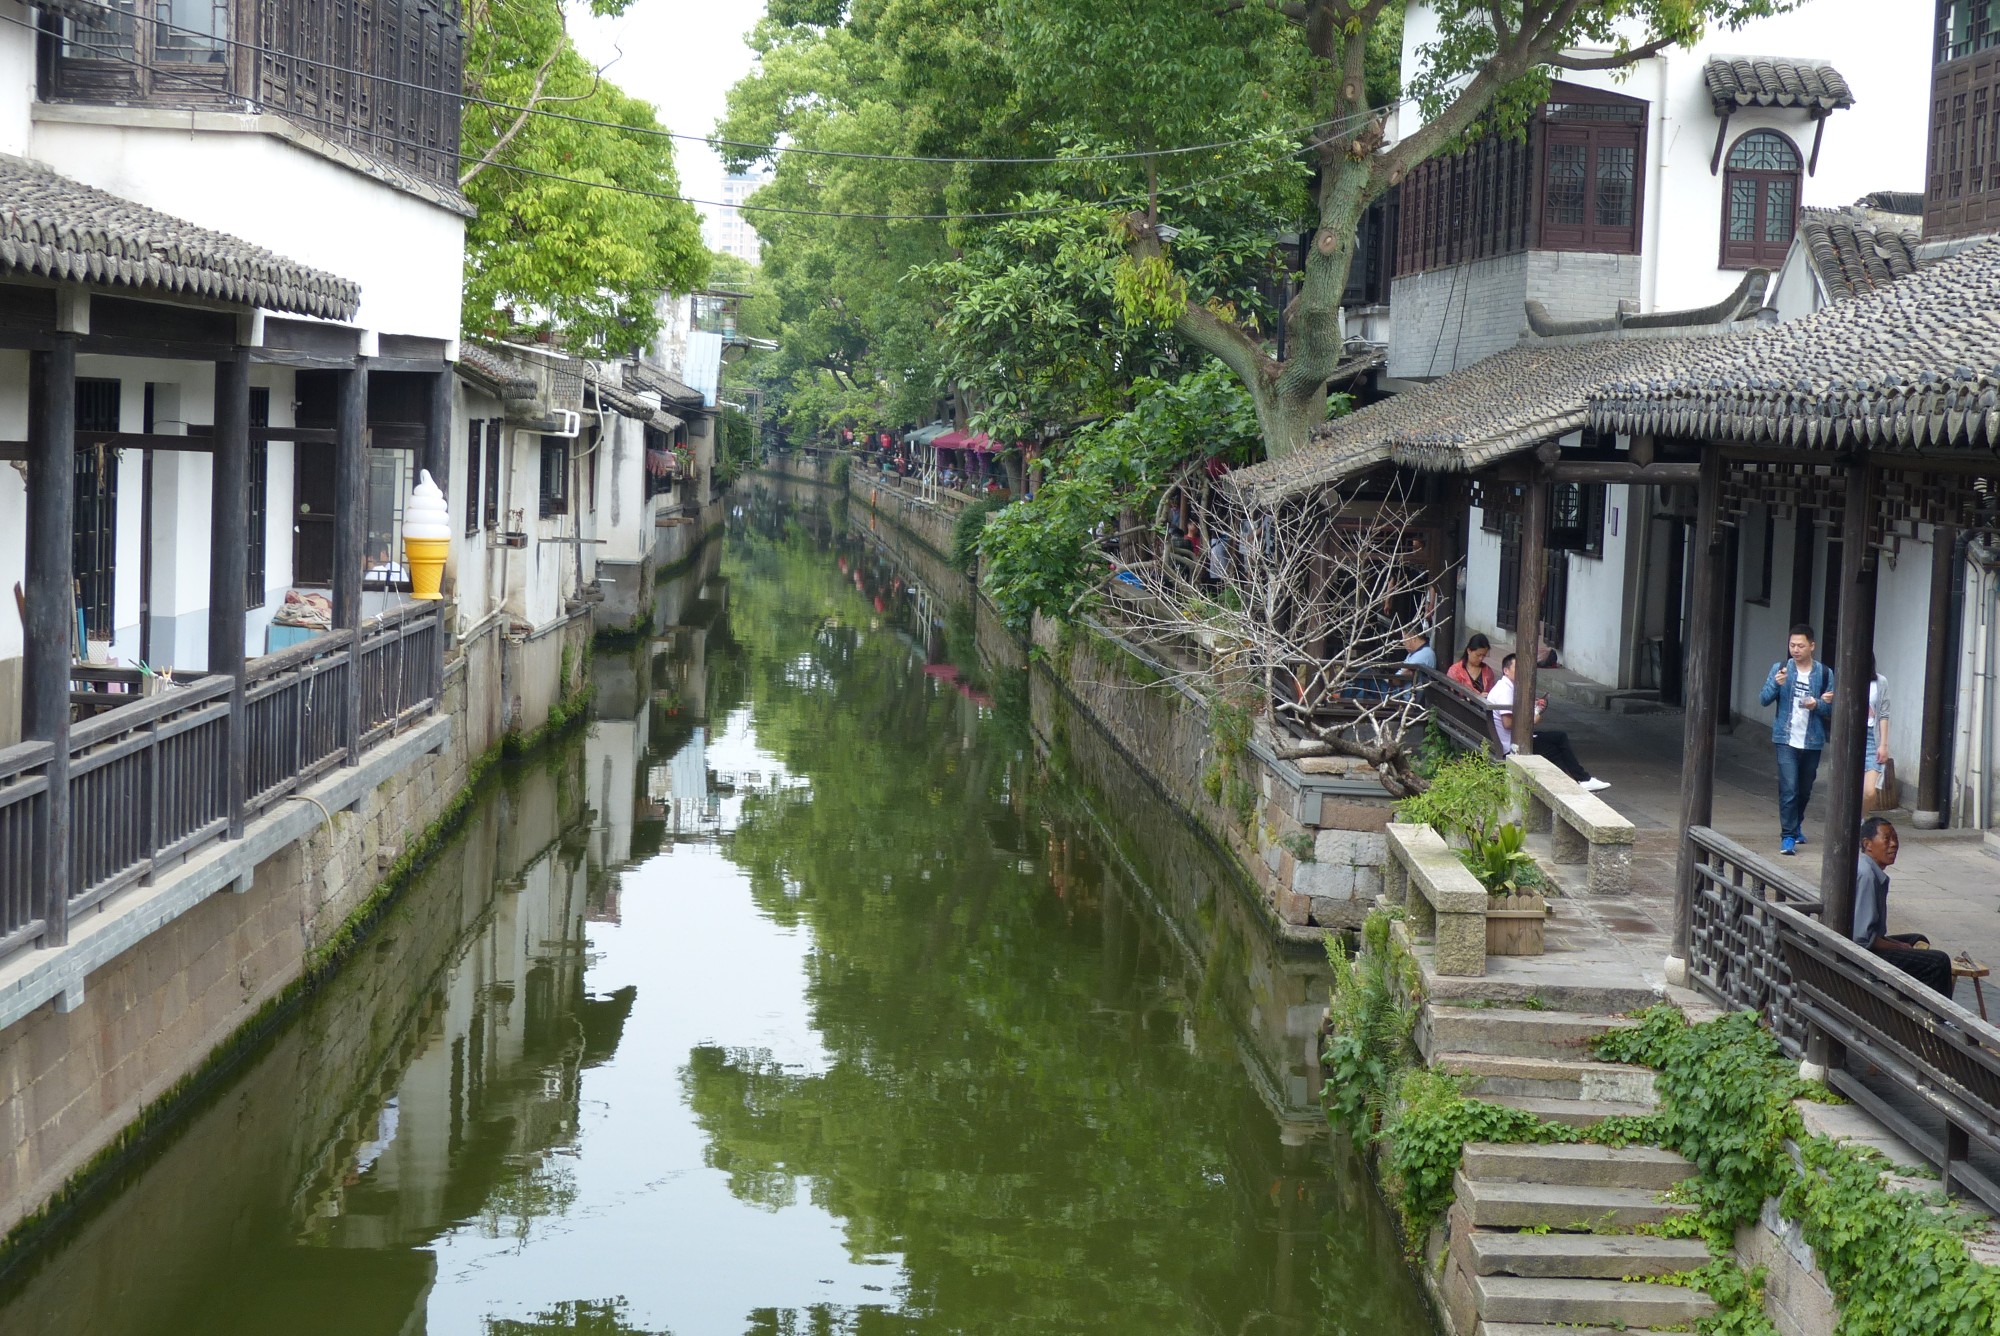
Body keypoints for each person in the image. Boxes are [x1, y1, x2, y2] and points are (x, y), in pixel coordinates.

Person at [1852, 817, 1954, 997]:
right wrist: (1898, 947)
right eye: (1887, 839)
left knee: (1917, 939)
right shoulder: (1867, 875)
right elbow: (1863, 938)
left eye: (1895, 839)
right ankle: (1931, 1020)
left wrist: (1899, 944)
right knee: (1938, 961)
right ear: (1867, 844)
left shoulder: (1867, 867)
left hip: (1861, 945)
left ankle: (1911, 1001)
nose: (1893, 845)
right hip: (1860, 956)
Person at [1759, 624, 1835, 856]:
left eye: (1801, 645)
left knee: (1804, 789)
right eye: (1792, 645)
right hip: (1785, 738)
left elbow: (1831, 709)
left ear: (1812, 646)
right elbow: (1763, 699)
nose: (1795, 649)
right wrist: (1776, 683)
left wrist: (1818, 704)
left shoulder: (1824, 673)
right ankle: (1788, 836)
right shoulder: (1780, 668)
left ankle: (1796, 824)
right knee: (1789, 788)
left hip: (1812, 740)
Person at [1489, 653, 1610, 791]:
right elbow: (1508, 723)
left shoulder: (1506, 687)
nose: (1522, 672)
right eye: (1517, 668)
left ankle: (1579, 781)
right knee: (1554, 748)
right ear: (1506, 670)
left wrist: (1534, 707)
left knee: (1559, 738)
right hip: (1513, 744)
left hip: (1511, 739)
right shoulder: (1505, 691)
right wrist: (1532, 720)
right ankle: (1577, 782)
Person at [1863, 656, 1892, 810]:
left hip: (1871, 738)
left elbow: (1884, 714)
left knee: (1869, 792)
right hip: (1849, 737)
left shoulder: (1880, 682)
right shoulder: (1845, 679)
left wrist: (1883, 744)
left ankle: (1858, 821)